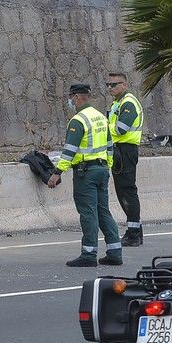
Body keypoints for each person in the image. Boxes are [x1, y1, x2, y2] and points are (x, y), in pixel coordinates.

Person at [46, 83, 121, 268]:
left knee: (88, 213)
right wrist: (107, 167)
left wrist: (57, 172)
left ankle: (89, 254)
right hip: (102, 170)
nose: (70, 101)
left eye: (71, 98)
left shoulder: (78, 120)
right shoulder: (101, 118)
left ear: (77, 97)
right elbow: (110, 146)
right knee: (103, 211)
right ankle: (114, 252)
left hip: (85, 173)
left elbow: (69, 150)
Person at [106, 72, 144, 247]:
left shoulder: (128, 102)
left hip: (125, 150)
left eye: (114, 85)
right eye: (108, 85)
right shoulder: (118, 103)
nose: (110, 88)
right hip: (121, 150)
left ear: (124, 85)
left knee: (127, 191)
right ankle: (134, 230)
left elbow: (121, 129)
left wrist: (104, 127)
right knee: (124, 191)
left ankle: (134, 233)